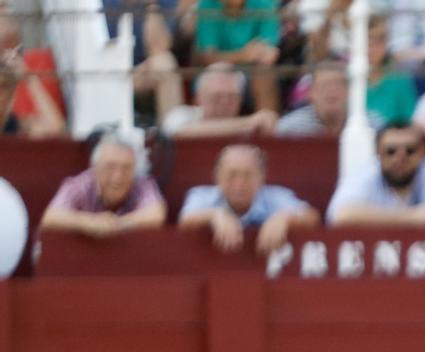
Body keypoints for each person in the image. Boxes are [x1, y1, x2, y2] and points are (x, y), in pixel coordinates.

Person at [179, 143, 319, 252]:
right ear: (217, 177)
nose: (239, 183)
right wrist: (215, 215)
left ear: (261, 178)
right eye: (232, 174)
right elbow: (185, 220)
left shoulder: (275, 196)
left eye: (248, 175)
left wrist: (285, 218)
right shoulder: (201, 195)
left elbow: (312, 217)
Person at [328, 123, 425, 226]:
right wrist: (414, 217)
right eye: (391, 151)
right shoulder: (365, 173)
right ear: (377, 153)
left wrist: (378, 219)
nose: (400, 158)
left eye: (410, 150)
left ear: (423, 152)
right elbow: (340, 216)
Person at [40, 133, 168, 237]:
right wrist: (88, 222)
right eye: (110, 167)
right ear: (95, 168)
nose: (118, 176)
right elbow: (51, 217)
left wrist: (114, 225)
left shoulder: (142, 183)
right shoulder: (80, 184)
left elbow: (156, 214)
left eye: (127, 168)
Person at [191, 0, 280, 113]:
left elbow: (269, 51)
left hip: (252, 72)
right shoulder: (207, 5)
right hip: (217, 71)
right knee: (215, 78)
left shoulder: (265, 4)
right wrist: (242, 55)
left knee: (264, 70)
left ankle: (266, 124)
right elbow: (208, 58)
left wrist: (260, 54)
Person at [164, 62, 278, 138]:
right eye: (217, 97)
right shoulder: (183, 114)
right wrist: (248, 122)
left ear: (240, 99)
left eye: (231, 97)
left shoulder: (253, 125)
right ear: (199, 97)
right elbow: (176, 133)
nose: (224, 103)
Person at [277, 60, 382, 135]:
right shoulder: (290, 129)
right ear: (311, 93)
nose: (331, 91)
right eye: (324, 85)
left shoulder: (370, 125)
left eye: (338, 84)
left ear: (349, 91)